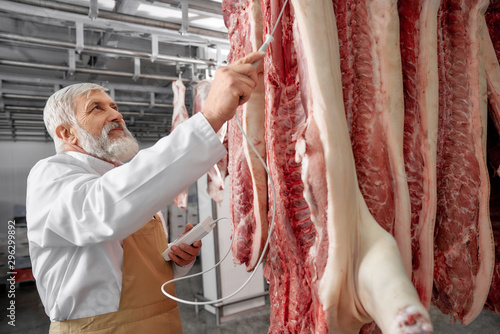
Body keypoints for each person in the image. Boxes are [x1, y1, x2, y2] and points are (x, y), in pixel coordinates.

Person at [26, 51, 265, 333]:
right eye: (97, 108)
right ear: (67, 134)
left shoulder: (119, 178)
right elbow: (104, 213)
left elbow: (127, 263)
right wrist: (210, 117)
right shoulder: (51, 174)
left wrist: (176, 260)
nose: (116, 114)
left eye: (114, 106)